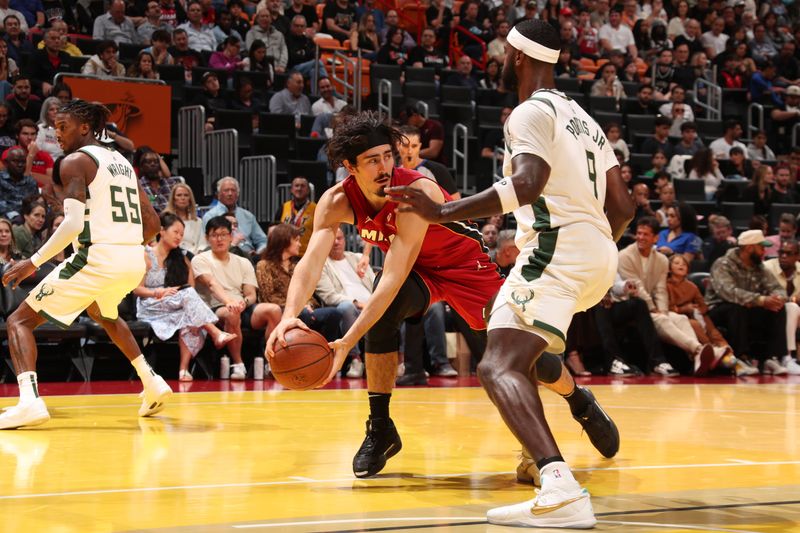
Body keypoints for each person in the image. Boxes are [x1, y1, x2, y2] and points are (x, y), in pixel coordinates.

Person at [271, 102, 620, 497]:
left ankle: (578, 401)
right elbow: (310, 263)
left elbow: (393, 276)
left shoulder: (413, 192)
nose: (384, 166)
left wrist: (345, 343)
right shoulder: (337, 201)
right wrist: (288, 316)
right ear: (351, 167)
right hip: (420, 271)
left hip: (464, 267)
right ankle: (381, 427)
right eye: (372, 160)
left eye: (388, 156)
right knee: (382, 322)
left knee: (517, 356)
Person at [383, 20, 629, 526]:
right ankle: (569, 418)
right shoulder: (584, 118)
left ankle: (559, 486)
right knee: (518, 344)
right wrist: (596, 251)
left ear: (517, 54)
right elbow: (622, 206)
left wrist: (442, 212)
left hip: (558, 251)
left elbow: (529, 182)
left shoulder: (528, 112)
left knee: (497, 365)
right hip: (600, 255)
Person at [0, 100, 172, 429]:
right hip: (133, 258)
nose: (56, 134)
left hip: (97, 258)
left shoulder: (75, 161)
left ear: (83, 128)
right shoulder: (121, 161)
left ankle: (29, 402)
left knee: (19, 321)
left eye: (62, 127)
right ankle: (151, 381)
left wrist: (32, 262)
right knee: (103, 313)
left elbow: (72, 225)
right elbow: (152, 223)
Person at [134, 213, 236, 381]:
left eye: (182, 234)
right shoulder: (146, 254)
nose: (179, 237)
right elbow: (137, 290)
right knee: (188, 296)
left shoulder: (181, 256)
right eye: (176, 232)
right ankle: (214, 331)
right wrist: (157, 292)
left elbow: (190, 287)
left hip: (173, 304)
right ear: (162, 231)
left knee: (191, 319)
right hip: (150, 304)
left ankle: (183, 370)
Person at [192, 216, 281, 379]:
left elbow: (251, 294)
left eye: (224, 234)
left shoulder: (243, 261)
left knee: (273, 310)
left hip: (241, 306)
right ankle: (239, 364)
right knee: (231, 313)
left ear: (231, 237)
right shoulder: (200, 259)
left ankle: (271, 361)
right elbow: (211, 284)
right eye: (214, 235)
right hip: (215, 308)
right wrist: (229, 302)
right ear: (207, 238)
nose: (219, 239)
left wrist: (243, 302)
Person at [619, 216, 710, 375]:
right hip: (631, 306)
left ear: (655, 238)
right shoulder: (624, 256)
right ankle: (697, 349)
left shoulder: (661, 260)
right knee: (661, 318)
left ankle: (697, 357)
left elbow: (661, 289)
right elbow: (637, 287)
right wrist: (655, 309)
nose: (640, 237)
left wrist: (663, 310)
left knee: (679, 318)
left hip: (653, 308)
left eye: (645, 234)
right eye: (638, 233)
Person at [705, 229, 790, 375]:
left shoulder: (760, 267)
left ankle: (771, 358)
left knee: (777, 307)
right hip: (719, 309)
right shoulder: (723, 264)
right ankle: (741, 358)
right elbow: (729, 292)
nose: (764, 251)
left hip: (748, 307)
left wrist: (777, 298)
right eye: (761, 247)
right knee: (737, 307)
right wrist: (761, 300)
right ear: (750, 248)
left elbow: (777, 288)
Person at [256, 223, 342, 343]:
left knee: (333, 313)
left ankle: (327, 353)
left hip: (306, 309)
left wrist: (308, 304)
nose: (300, 244)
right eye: (296, 240)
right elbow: (269, 296)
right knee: (304, 314)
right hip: (281, 311)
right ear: (284, 241)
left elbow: (308, 292)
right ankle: (300, 356)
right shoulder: (264, 265)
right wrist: (297, 307)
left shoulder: (296, 266)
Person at [315, 226, 376, 378]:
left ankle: (400, 360)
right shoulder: (321, 265)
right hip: (351, 307)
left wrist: (375, 302)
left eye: (339, 238)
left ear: (344, 240)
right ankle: (356, 359)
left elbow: (376, 285)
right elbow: (329, 296)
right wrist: (358, 303)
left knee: (397, 304)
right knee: (346, 307)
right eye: (332, 239)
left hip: (372, 304)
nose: (336, 242)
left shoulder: (357, 258)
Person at [201, 177, 267, 258]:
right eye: (226, 190)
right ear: (218, 195)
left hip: (251, 257)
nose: (230, 193)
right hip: (223, 256)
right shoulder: (210, 216)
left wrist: (258, 252)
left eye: (233, 190)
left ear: (237, 194)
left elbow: (262, 240)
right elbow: (208, 243)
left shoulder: (248, 216)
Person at [762, 239, 800, 374]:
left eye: (788, 253)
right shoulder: (767, 267)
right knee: (791, 307)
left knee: (794, 308)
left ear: (797, 256)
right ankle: (786, 357)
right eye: (781, 252)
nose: (783, 256)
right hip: (770, 312)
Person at [396, 125, 460, 199]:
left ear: (420, 146)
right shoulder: (392, 172)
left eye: (414, 146)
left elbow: (456, 201)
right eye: (405, 146)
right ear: (398, 146)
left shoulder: (438, 170)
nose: (410, 151)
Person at [276, 176, 316, 256]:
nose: (299, 188)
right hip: (284, 255)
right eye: (296, 186)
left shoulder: (316, 209)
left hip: (306, 256)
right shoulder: (283, 207)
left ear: (308, 190)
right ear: (291, 190)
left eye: (302, 186)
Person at [163, 183, 206, 255]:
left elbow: (202, 244)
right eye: (179, 195)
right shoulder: (166, 220)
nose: (183, 198)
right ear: (173, 199)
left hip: (195, 256)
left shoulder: (198, 221)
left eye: (186, 195)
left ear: (190, 199)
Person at [137, 148, 180, 214]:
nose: (153, 164)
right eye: (148, 162)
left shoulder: (170, 183)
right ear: (142, 166)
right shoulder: (138, 186)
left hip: (172, 220)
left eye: (156, 162)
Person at [0, 145, 37, 220]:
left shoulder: (31, 182)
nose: (20, 165)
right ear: (6, 163)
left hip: (27, 220)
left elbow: (36, 204)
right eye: (15, 161)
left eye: (23, 162)